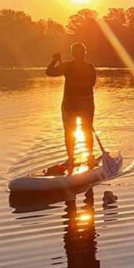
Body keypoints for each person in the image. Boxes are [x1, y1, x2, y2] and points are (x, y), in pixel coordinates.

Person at [45, 43, 96, 174]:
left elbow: (91, 83)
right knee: (70, 133)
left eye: (83, 52)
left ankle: (89, 156)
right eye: (79, 52)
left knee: (85, 131)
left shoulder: (89, 68)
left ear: (85, 53)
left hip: (85, 105)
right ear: (74, 54)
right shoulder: (67, 66)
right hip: (70, 106)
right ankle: (71, 158)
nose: (82, 55)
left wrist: (75, 82)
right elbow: (49, 72)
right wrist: (55, 61)